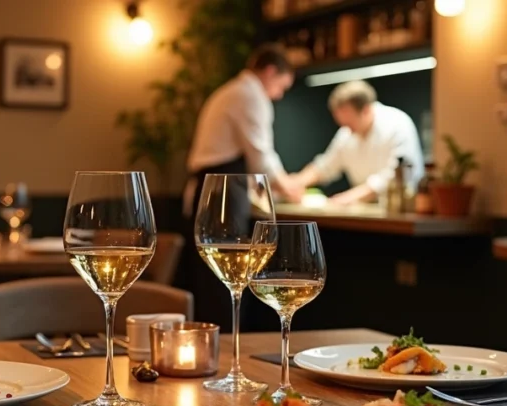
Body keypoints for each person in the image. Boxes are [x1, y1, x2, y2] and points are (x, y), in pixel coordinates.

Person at [179, 43, 295, 329]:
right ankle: (227, 356)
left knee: (212, 282)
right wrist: (291, 188)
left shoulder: (229, 91)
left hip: (210, 191)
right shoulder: (250, 95)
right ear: (270, 72)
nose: (278, 95)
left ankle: (216, 356)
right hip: (224, 194)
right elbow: (262, 159)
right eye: (280, 86)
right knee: (226, 283)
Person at [285, 80, 424, 205]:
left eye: (350, 123)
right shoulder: (346, 133)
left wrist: (348, 198)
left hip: (399, 207)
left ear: (366, 110)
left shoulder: (397, 124)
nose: (347, 130)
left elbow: (392, 176)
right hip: (364, 210)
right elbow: (325, 166)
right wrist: (295, 183)